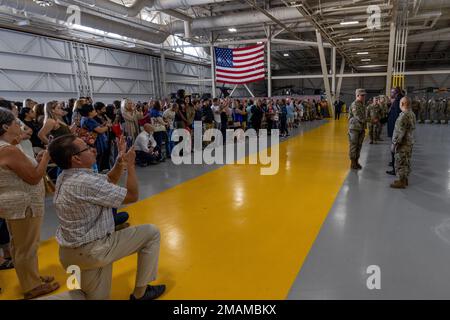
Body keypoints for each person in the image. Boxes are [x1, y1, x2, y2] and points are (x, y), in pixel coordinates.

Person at [48, 134, 165, 300]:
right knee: (151, 233)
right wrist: (131, 166)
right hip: (94, 250)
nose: (93, 149)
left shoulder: (66, 176)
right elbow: (132, 195)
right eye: (87, 148)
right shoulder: (86, 182)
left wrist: (120, 161)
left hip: (71, 254)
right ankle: (141, 293)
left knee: (91, 296)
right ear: (76, 158)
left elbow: (108, 181)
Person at [0, 107, 60, 299]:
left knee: (20, 245)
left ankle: (31, 277)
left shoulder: (8, 147)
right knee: (27, 246)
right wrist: (47, 156)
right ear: (5, 127)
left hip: (15, 203)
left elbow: (24, 169)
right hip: (23, 204)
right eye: (16, 123)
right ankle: (31, 286)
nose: (20, 126)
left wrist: (37, 160)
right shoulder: (8, 149)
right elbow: (34, 177)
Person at [390, 97, 416, 189]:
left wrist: (394, 144)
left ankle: (401, 181)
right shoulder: (411, 114)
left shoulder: (404, 116)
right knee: (406, 161)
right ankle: (405, 179)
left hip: (403, 143)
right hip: (409, 142)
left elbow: (400, 132)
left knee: (400, 162)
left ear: (402, 104)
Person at [348, 88, 367, 170]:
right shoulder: (354, 104)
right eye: (362, 95)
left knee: (359, 145)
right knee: (354, 145)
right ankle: (352, 162)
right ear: (357, 95)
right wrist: (370, 120)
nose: (363, 97)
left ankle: (356, 161)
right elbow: (358, 116)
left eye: (364, 95)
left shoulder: (362, 105)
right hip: (354, 129)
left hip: (361, 128)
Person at [386, 87, 403, 175]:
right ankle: (393, 163)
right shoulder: (397, 100)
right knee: (394, 148)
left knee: (394, 148)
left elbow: (396, 116)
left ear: (396, 93)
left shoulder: (397, 101)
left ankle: (394, 168)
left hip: (395, 129)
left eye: (392, 92)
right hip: (394, 129)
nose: (390, 94)